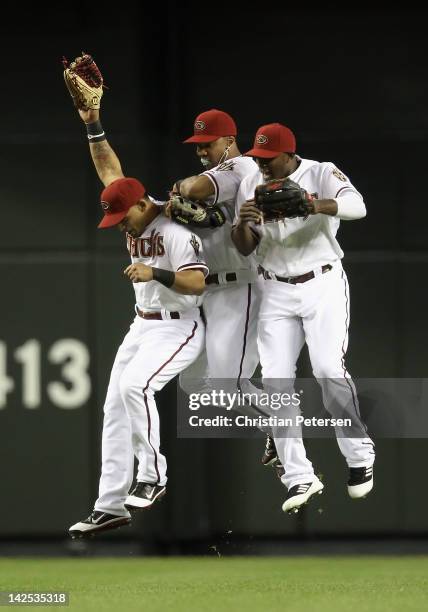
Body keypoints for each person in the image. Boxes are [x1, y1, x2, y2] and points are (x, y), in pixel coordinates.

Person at [68, 110, 208, 537]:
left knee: (136, 387)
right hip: (142, 325)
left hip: (180, 325)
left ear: (144, 204)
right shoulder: (131, 205)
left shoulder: (177, 230)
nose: (119, 225)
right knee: (114, 405)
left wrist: (156, 273)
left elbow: (198, 283)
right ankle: (110, 505)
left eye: (122, 217)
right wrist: (93, 123)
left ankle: (154, 476)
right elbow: (109, 169)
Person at [232, 122, 375, 513]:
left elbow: (358, 206)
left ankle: (360, 454)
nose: (260, 163)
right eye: (257, 156)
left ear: (288, 154)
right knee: (276, 381)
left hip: (321, 283)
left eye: (267, 157)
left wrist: (315, 204)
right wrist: (244, 222)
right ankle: (299, 476)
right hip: (274, 288)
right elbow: (243, 246)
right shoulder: (252, 185)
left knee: (328, 369)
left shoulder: (320, 171)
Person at [176, 109, 261, 390]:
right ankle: (277, 424)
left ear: (228, 140)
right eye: (198, 144)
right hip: (214, 292)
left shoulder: (243, 167)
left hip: (242, 286)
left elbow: (195, 188)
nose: (201, 150)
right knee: (192, 382)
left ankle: (288, 428)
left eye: (207, 143)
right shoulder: (220, 174)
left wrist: (179, 186)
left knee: (229, 383)